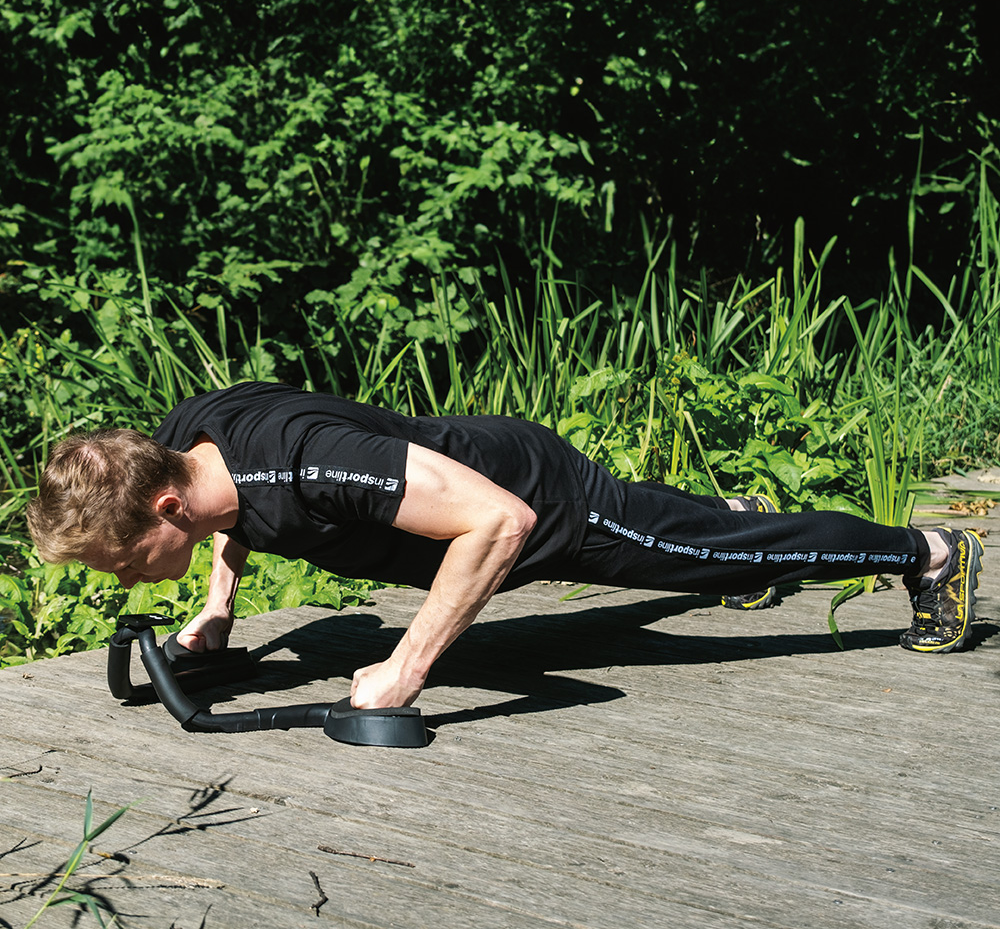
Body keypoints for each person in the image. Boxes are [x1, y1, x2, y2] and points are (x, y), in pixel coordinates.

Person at [26, 381, 985, 709]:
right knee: (694, 534)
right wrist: (217, 609)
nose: (125, 580)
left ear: (163, 506)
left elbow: (498, 524)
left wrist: (406, 667)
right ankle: (721, 516)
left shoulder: (309, 465)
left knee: (707, 554)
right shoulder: (187, 444)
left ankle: (926, 553)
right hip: (470, 467)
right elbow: (230, 515)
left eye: (120, 561)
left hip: (535, 499)